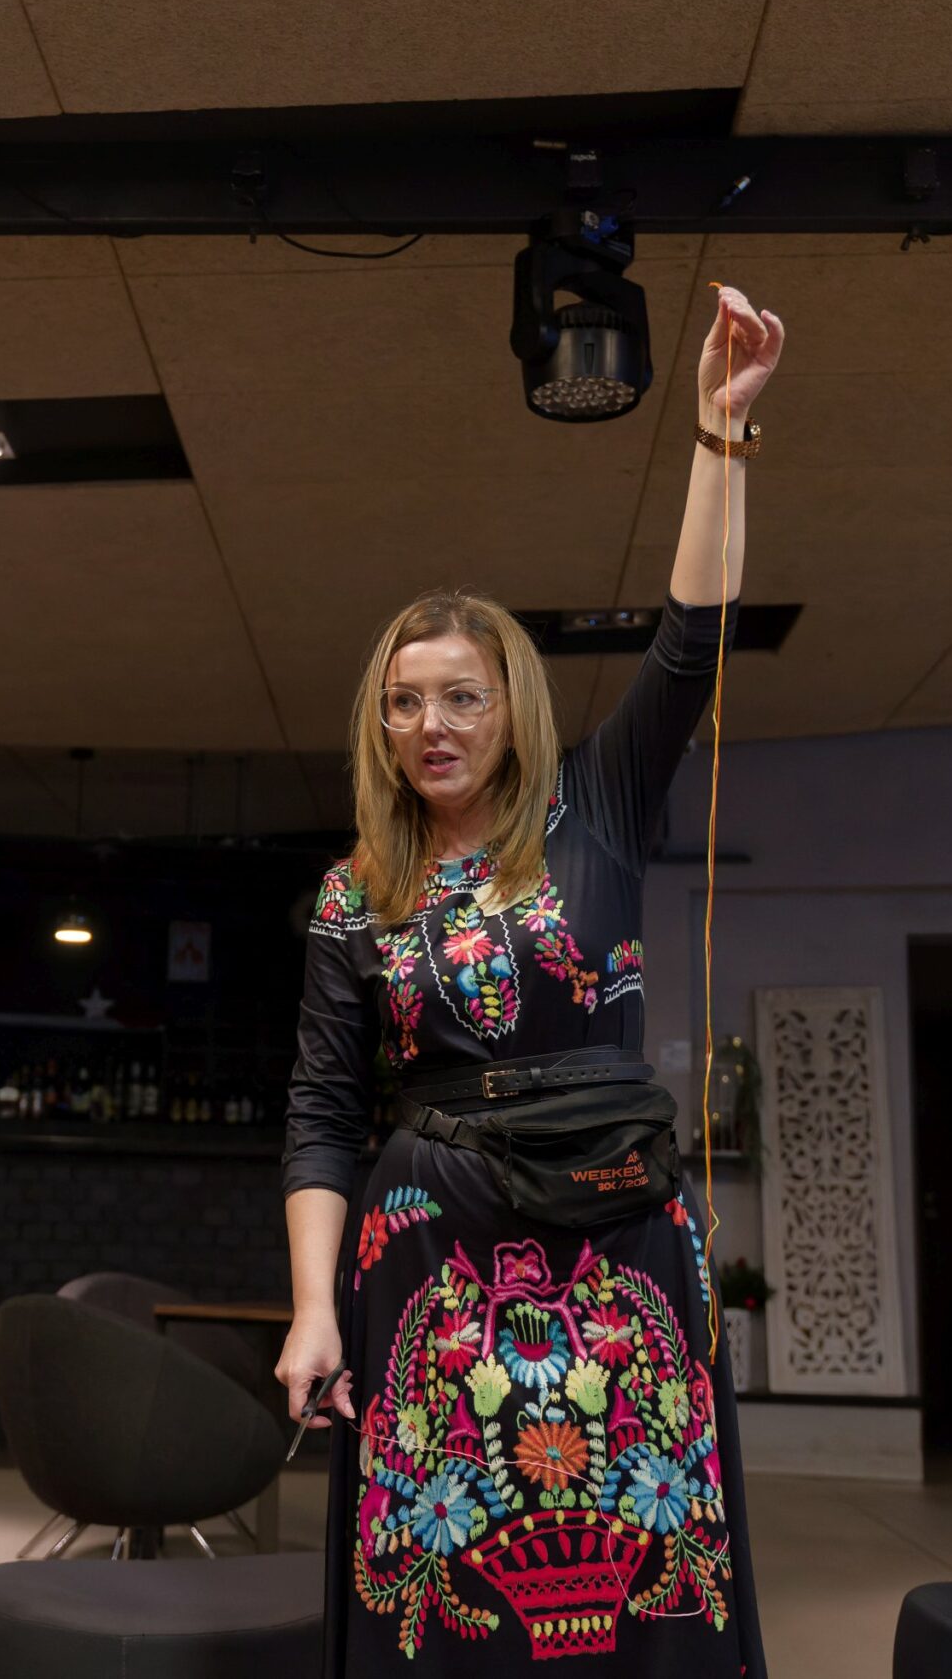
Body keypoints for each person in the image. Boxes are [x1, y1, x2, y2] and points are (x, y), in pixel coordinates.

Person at [277, 283, 785, 1675]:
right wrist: (314, 1307)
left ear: (512, 708)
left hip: (619, 1234)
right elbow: (321, 1114)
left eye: (460, 695)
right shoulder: (351, 892)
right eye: (403, 701)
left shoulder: (597, 809)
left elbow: (689, 639)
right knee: (453, 1571)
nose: (429, 724)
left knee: (638, 1549)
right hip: (428, 1257)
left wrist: (718, 437)